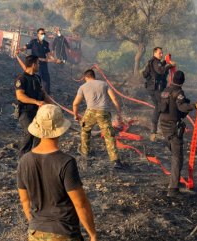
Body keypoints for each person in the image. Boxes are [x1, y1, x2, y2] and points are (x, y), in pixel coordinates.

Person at [17, 104, 97, 241]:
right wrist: (93, 234)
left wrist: (36, 224)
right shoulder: (66, 162)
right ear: (60, 130)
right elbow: (80, 204)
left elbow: (25, 200)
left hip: (35, 233)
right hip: (64, 233)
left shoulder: (24, 161)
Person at [159, 70, 197, 197]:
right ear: (183, 81)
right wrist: (195, 105)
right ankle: (173, 189)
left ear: (173, 78)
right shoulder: (178, 93)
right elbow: (181, 107)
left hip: (163, 125)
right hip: (173, 126)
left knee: (174, 152)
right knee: (177, 157)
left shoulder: (165, 90)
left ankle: (174, 182)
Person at [72, 69, 125, 169]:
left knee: (85, 131)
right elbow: (114, 98)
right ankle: (115, 161)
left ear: (85, 77)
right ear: (94, 76)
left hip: (90, 112)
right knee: (109, 135)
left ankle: (85, 153)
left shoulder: (82, 87)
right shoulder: (104, 84)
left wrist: (75, 115)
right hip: (103, 113)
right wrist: (119, 113)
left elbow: (75, 103)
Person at [15, 55, 50, 157]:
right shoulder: (21, 79)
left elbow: (43, 94)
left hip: (37, 113)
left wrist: (53, 106)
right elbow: (20, 96)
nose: (39, 65)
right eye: (38, 63)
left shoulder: (37, 78)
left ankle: (35, 157)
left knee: (39, 135)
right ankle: (23, 158)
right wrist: (36, 102)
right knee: (30, 131)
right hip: (25, 112)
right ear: (33, 64)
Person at [142, 47, 176, 141]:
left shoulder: (156, 62)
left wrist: (166, 61)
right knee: (159, 107)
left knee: (160, 106)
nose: (161, 54)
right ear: (155, 53)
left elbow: (160, 67)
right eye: (160, 53)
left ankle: (157, 130)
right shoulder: (155, 62)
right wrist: (170, 65)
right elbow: (160, 70)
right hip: (154, 89)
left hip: (156, 88)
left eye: (162, 53)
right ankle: (154, 132)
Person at [17, 28, 60, 94]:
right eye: (41, 34)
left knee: (46, 80)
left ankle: (47, 94)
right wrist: (19, 49)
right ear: (38, 34)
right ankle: (35, 93)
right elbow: (24, 48)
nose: (43, 35)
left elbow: (49, 54)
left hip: (44, 65)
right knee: (36, 79)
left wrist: (55, 59)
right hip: (35, 65)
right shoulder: (33, 42)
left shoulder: (46, 44)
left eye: (44, 34)